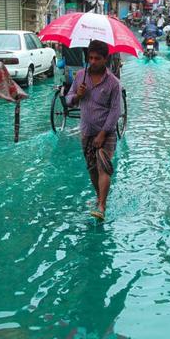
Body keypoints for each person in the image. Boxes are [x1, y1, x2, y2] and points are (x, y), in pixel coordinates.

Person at [66, 40, 122, 221]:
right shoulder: (81, 76)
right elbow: (68, 100)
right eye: (90, 58)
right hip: (86, 131)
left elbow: (115, 111)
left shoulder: (113, 83)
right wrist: (78, 96)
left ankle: (102, 206)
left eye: (97, 58)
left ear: (105, 59)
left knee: (103, 167)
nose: (93, 61)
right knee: (92, 169)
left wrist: (103, 134)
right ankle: (100, 197)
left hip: (106, 133)